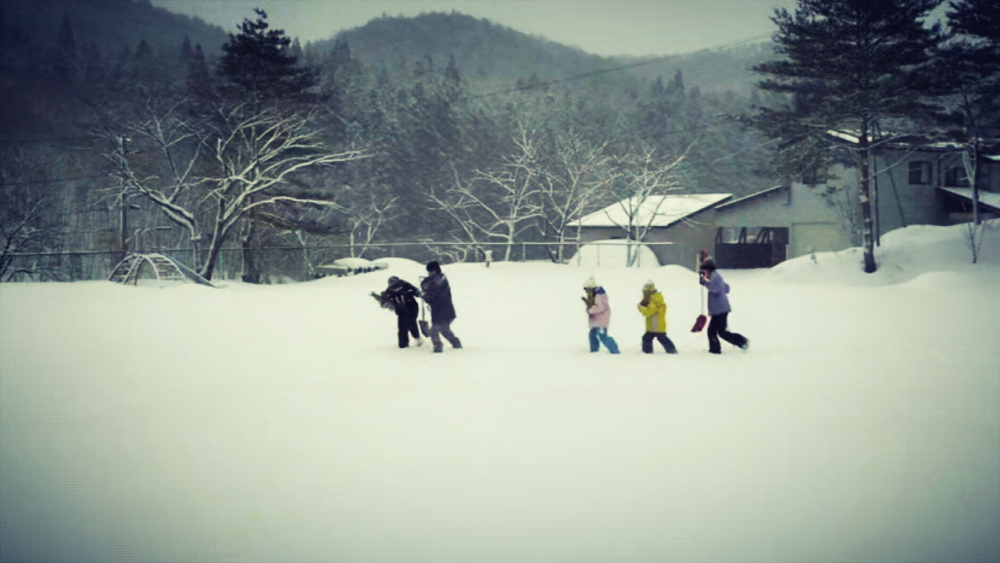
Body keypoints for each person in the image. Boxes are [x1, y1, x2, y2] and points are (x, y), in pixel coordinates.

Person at [698, 258, 749, 354]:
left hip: (719, 310)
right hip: (722, 309)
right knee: (722, 332)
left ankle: (715, 349)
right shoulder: (716, 277)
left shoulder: (715, 277)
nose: (704, 272)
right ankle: (742, 342)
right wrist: (706, 280)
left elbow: (715, 289)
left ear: (709, 269)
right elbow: (726, 288)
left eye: (705, 269)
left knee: (711, 330)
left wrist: (705, 283)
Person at [419, 261, 463, 353]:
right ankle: (456, 343)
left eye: (430, 271)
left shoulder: (441, 280)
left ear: (435, 270)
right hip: (437, 310)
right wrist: (424, 290)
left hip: (444, 310)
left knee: (435, 329)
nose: (429, 273)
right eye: (428, 271)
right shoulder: (432, 280)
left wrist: (425, 294)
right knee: (444, 330)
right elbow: (426, 287)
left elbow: (434, 294)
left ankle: (438, 347)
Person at [379, 276, 423, 348]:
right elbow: (385, 303)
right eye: (393, 287)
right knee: (402, 327)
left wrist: (419, 293)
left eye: (397, 286)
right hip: (400, 310)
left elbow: (417, 292)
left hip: (412, 307)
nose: (396, 289)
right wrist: (384, 302)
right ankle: (403, 344)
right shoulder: (389, 291)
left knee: (411, 323)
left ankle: (417, 338)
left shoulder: (406, 285)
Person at [637, 280, 678, 354]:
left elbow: (650, 312)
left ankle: (649, 351)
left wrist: (641, 308)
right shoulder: (656, 298)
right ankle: (670, 349)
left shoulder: (652, 300)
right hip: (655, 325)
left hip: (656, 325)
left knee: (657, 337)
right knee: (653, 337)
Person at [583, 277, 620, 354]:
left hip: (602, 320)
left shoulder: (599, 297)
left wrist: (590, 310)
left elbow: (599, 307)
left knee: (602, 336)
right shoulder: (594, 296)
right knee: (592, 335)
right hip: (596, 320)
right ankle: (594, 350)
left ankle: (614, 349)